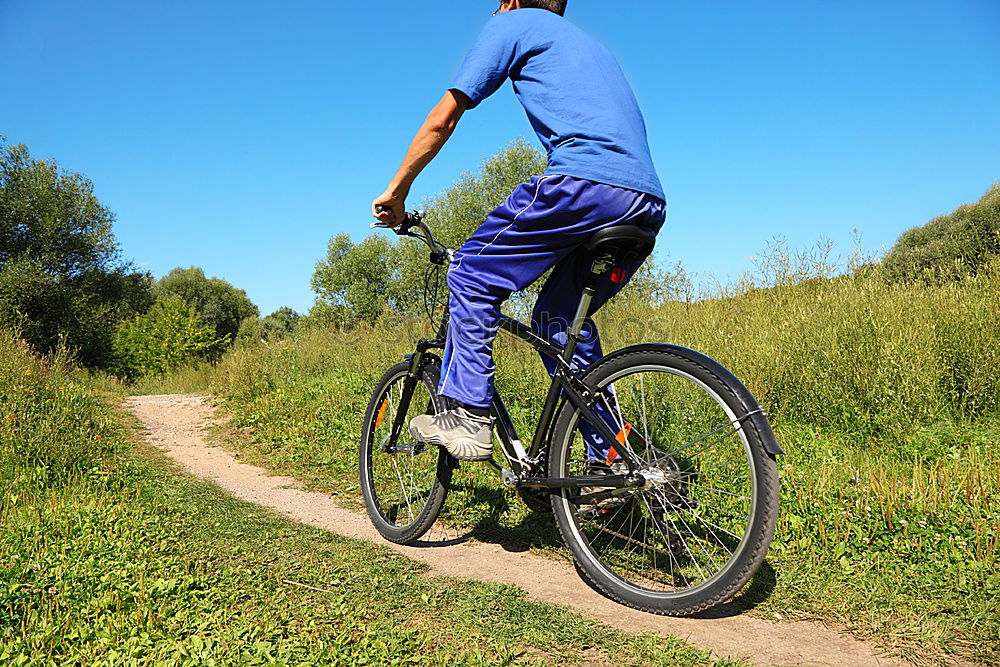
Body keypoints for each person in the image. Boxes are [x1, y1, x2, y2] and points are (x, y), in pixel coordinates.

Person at [372, 0, 666, 462]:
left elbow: (444, 117)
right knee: (559, 321)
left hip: (582, 185)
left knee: (470, 271)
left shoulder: (514, 23)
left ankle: (468, 413)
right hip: (644, 201)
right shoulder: (593, 47)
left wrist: (397, 191)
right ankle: (609, 454)